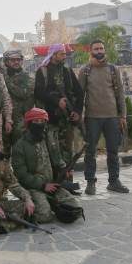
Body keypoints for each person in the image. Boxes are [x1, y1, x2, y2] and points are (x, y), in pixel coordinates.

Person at [11, 109, 83, 223]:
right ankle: (34, 206)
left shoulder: (49, 138)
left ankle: (48, 202)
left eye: (42, 121)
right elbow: (22, 175)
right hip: (34, 188)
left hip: (53, 185)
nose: (39, 124)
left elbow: (57, 156)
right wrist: (43, 186)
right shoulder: (19, 146)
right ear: (29, 124)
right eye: (36, 121)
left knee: (76, 210)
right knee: (45, 217)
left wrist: (62, 167)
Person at [78, 39, 129, 195]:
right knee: (90, 152)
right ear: (91, 51)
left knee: (113, 152)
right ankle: (90, 183)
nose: (99, 51)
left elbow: (120, 92)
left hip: (112, 116)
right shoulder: (85, 70)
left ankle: (114, 181)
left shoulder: (113, 69)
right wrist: (80, 115)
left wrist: (123, 116)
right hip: (92, 117)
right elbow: (79, 95)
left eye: (101, 49)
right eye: (96, 49)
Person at [33, 43, 83, 179]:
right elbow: (38, 92)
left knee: (67, 151)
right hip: (50, 120)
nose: (64, 56)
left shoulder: (67, 71)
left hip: (67, 119)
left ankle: (68, 183)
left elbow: (79, 92)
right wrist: (57, 101)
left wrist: (78, 111)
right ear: (53, 55)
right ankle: (54, 183)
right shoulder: (42, 71)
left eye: (65, 54)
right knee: (52, 152)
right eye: (62, 54)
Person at [1, 49, 36, 157]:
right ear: (6, 62)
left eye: (19, 59)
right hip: (3, 121)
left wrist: (5, 80)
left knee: (20, 154)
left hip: (20, 121)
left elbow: (24, 93)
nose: (16, 62)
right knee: (3, 154)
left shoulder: (28, 75)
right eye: (13, 60)